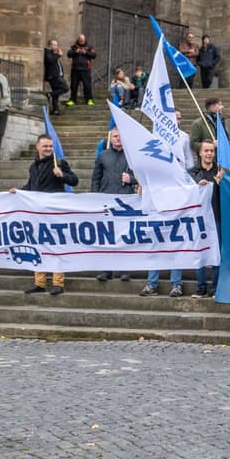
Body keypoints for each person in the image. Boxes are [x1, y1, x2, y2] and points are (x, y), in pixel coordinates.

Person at [19, 134, 79, 295]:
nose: (48, 149)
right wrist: (18, 191)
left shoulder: (58, 162)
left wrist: (62, 175)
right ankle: (40, 282)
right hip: (37, 212)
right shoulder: (33, 166)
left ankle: (58, 282)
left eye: (50, 146)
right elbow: (31, 186)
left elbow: (74, 180)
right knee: (38, 245)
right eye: (45, 146)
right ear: (38, 147)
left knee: (56, 245)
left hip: (54, 211)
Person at [92, 128, 136, 282]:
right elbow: (96, 178)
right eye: (115, 136)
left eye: (120, 136)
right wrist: (95, 197)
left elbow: (141, 176)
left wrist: (131, 179)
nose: (118, 139)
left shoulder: (131, 156)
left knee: (124, 235)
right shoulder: (103, 156)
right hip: (106, 199)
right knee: (107, 236)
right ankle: (106, 270)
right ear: (110, 139)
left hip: (126, 201)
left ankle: (125, 270)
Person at [189, 139, 223, 298]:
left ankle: (216, 288)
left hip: (217, 216)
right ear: (200, 153)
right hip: (199, 218)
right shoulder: (193, 172)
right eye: (206, 151)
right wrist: (197, 183)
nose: (209, 154)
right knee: (199, 252)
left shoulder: (220, 172)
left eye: (212, 151)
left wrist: (220, 183)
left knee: (216, 252)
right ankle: (201, 288)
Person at [66, 33, 96, 106]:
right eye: (80, 41)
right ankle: (72, 100)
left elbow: (94, 55)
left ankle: (89, 99)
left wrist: (86, 52)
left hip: (85, 69)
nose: (82, 42)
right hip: (75, 70)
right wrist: (75, 52)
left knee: (87, 85)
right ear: (78, 40)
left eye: (83, 40)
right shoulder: (74, 47)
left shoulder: (89, 47)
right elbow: (69, 54)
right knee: (73, 85)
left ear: (85, 40)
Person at [43, 39, 67, 115]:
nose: (56, 46)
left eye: (56, 45)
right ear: (50, 45)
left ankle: (56, 110)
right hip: (53, 76)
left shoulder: (53, 53)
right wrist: (58, 55)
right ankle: (49, 94)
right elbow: (50, 60)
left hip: (57, 75)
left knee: (56, 94)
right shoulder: (47, 51)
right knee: (65, 88)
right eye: (55, 45)